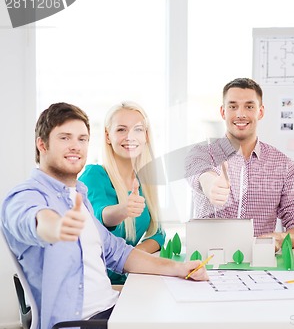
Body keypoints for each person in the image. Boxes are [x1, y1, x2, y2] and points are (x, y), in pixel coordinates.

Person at [1, 103, 208, 329]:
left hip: (113, 308)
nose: (75, 146)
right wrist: (57, 227)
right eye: (64, 138)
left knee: (190, 313)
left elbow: (118, 253)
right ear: (42, 144)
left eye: (82, 139)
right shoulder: (24, 196)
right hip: (82, 322)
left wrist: (179, 269)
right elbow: (32, 220)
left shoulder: (78, 196)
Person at [185, 78, 294, 250]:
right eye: (233, 106)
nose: (240, 114)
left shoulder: (284, 165)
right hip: (207, 265)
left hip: (260, 266)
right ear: (223, 112)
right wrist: (211, 184)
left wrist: (281, 239)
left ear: (260, 112)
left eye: (249, 106)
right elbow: (200, 174)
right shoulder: (201, 153)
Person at [79, 102, 165, 285]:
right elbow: (101, 217)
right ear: (108, 136)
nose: (130, 137)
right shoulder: (94, 175)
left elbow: (158, 234)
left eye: (138, 130)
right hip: (98, 285)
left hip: (128, 281)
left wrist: (132, 258)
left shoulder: (145, 180)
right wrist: (123, 209)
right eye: (121, 130)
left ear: (146, 136)